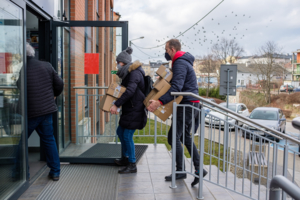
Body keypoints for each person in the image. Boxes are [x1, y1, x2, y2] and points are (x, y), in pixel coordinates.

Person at [147, 39, 207, 187]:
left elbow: (177, 88)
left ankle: (181, 171)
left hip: (186, 105)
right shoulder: (182, 62)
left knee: (173, 137)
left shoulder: (180, 62)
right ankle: (199, 169)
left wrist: (159, 101)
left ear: (172, 49)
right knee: (185, 137)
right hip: (190, 105)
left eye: (166, 50)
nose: (165, 53)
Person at [16, 43, 64, 181]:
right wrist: (54, 95)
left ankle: (19, 172)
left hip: (31, 112)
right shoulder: (47, 66)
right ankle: (55, 172)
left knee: (22, 142)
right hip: (46, 110)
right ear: (32, 53)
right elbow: (59, 84)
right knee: (49, 140)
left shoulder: (23, 69)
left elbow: (19, 85)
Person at [110, 47, 147, 174]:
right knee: (120, 132)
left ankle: (132, 164)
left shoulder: (134, 73)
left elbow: (130, 91)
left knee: (127, 135)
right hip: (130, 108)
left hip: (135, 109)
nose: (117, 65)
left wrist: (116, 104)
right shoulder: (129, 73)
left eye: (118, 62)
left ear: (123, 62)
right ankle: (126, 158)